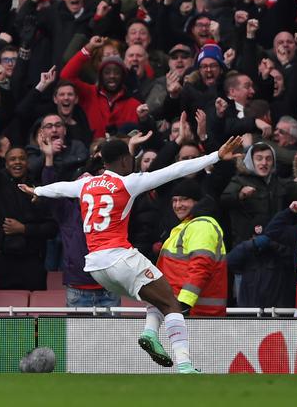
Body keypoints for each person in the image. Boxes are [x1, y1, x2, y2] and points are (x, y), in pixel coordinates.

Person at [23, 135, 241, 373]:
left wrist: (38, 190)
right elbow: (175, 170)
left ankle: (149, 333)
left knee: (154, 296)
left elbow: (61, 188)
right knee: (171, 303)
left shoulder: (85, 184)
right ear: (126, 160)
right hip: (120, 258)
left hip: (96, 268)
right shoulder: (128, 183)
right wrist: (216, 156)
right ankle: (185, 366)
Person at [155, 179, 227, 316]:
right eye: (174, 200)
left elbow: (201, 266)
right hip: (186, 312)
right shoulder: (189, 226)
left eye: (183, 200)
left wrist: (184, 304)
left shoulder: (201, 226)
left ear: (196, 201)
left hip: (195, 314)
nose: (178, 205)